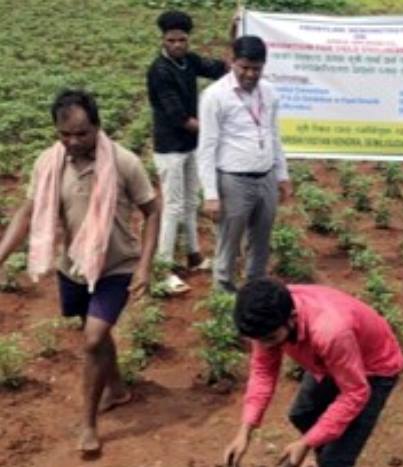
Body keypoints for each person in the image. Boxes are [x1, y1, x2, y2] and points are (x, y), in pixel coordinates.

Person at [0, 90, 160, 452]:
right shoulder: (48, 163)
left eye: (81, 133)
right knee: (94, 334)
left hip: (116, 266)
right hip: (72, 267)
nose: (73, 142)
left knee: (92, 339)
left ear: (97, 126)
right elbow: (27, 212)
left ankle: (89, 424)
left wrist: (145, 266)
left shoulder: (123, 162)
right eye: (64, 134)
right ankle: (117, 389)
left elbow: (153, 210)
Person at [223, 278, 403, 467]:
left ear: (292, 317)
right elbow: (263, 372)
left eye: (271, 338)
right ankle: (323, 455)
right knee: (303, 414)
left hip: (374, 368)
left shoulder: (330, 331)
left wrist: (305, 443)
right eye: (258, 340)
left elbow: (355, 393)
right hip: (331, 360)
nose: (265, 346)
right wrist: (244, 432)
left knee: (334, 460)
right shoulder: (268, 319)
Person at [197, 35, 291, 293]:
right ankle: (223, 292)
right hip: (233, 180)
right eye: (244, 67)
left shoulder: (269, 92)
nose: (250, 74)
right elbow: (206, 147)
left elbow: (274, 134)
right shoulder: (214, 96)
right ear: (232, 62)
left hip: (266, 177)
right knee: (229, 240)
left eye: (256, 68)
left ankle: (254, 290)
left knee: (261, 239)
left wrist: (282, 175)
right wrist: (211, 194)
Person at [147, 10, 228, 294]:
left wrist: (237, 36)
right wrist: (215, 132)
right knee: (173, 206)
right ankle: (163, 267)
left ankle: (194, 256)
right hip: (170, 148)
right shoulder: (159, 70)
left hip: (191, 146)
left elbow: (221, 68)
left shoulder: (189, 62)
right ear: (163, 40)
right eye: (172, 40)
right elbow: (179, 116)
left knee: (192, 202)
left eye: (183, 40)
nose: (178, 45)